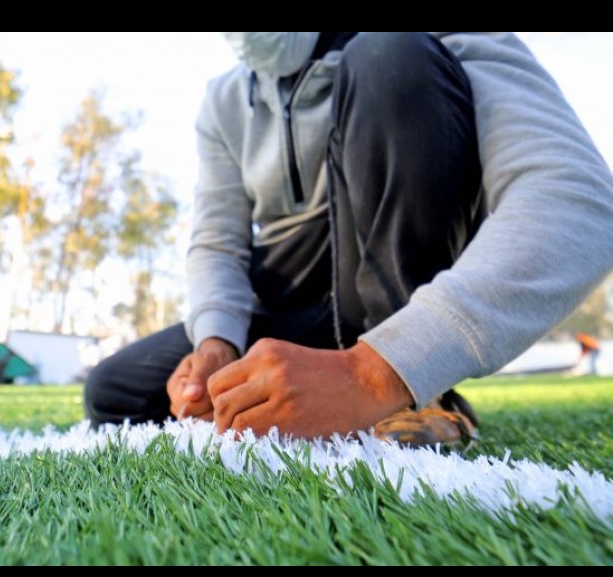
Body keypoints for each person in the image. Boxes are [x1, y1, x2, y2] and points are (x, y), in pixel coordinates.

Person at [85, 32, 613, 445]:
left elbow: (575, 199)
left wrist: (372, 373)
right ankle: (307, 376)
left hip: (389, 277)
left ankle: (417, 396)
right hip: (290, 287)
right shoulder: (223, 100)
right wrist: (217, 344)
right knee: (116, 394)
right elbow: (218, 241)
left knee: (389, 53)